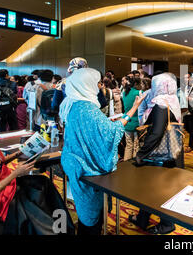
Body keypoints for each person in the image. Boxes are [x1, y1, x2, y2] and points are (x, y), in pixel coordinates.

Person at [60, 68, 145, 235]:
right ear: (87, 84)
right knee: (91, 218)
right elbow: (111, 132)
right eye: (97, 82)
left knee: (84, 209)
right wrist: (134, 109)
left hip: (75, 165)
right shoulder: (88, 109)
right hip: (88, 171)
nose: (100, 86)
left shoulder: (72, 103)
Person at [0, 117, 74, 234]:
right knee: (33, 209)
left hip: (9, 185)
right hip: (0, 199)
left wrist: (18, 154)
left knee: (44, 182)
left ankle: (62, 226)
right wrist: (14, 174)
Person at [130, 73, 183, 235]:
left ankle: (167, 224)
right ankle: (142, 218)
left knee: (160, 190)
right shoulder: (173, 100)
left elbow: (156, 132)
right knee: (153, 189)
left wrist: (141, 153)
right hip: (171, 152)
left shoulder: (161, 103)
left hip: (160, 154)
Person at [122, 76, 141, 161]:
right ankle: (133, 164)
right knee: (136, 145)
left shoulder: (124, 93)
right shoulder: (138, 92)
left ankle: (126, 163)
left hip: (127, 120)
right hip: (136, 121)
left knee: (128, 145)